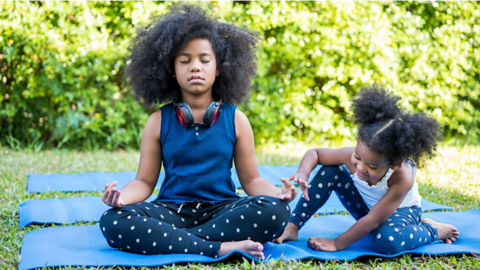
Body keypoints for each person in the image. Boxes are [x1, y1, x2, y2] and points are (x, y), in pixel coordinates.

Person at [99, 4, 296, 259]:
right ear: (171, 70)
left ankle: (177, 242)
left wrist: (277, 194)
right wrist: (120, 198)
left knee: (276, 212)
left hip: (224, 211)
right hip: (171, 212)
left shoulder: (237, 119)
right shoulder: (157, 121)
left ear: (219, 68)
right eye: (185, 60)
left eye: (204, 60)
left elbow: (250, 181)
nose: (195, 67)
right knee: (112, 220)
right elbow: (145, 182)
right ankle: (217, 247)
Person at [274, 84, 460, 254]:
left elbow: (373, 220)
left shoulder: (402, 177)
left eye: (372, 166)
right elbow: (315, 153)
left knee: (386, 242)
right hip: (368, 209)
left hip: (401, 212)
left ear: (393, 164)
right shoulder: (352, 158)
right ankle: (293, 226)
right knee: (330, 170)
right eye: (358, 156)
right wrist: (302, 174)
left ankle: (433, 229)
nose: (360, 168)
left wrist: (337, 243)